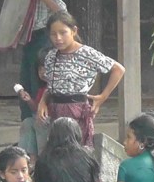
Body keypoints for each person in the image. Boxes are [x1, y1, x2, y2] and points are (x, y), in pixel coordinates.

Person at [37, 11, 125, 147]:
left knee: (77, 150)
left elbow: (118, 69)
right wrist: (42, 103)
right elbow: (51, 85)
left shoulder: (86, 53)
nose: (58, 38)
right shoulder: (51, 56)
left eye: (63, 32)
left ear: (73, 31)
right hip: (55, 109)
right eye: (53, 34)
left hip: (76, 109)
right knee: (57, 152)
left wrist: (103, 96)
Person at [2, 0, 66, 121]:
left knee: (38, 81)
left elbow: (63, 13)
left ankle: (40, 119)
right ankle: (26, 120)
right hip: (29, 40)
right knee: (25, 82)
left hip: (43, 39)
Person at [15, 50, 51, 167]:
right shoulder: (42, 90)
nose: (43, 72)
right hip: (39, 120)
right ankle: (29, 158)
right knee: (28, 122)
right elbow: (36, 109)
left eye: (46, 68)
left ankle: (43, 158)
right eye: (40, 69)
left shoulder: (57, 87)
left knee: (39, 122)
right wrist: (29, 100)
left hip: (51, 122)